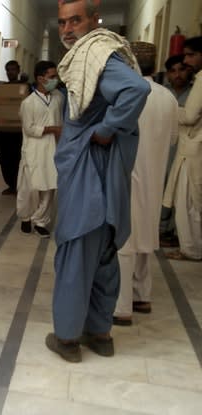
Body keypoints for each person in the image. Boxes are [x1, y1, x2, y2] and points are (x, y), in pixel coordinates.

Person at [46, 0, 150, 363]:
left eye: (76, 20)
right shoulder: (96, 55)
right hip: (102, 177)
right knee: (104, 254)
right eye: (62, 22)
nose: (67, 29)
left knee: (76, 253)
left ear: (94, 20)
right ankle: (100, 333)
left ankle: (68, 338)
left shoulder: (98, 54)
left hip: (89, 174)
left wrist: (106, 129)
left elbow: (137, 90)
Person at [112, 42, 178, 326]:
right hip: (154, 176)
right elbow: (173, 138)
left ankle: (121, 306)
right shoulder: (169, 98)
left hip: (128, 174)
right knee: (145, 237)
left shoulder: (126, 95)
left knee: (124, 239)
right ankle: (142, 295)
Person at [162, 36, 202, 261]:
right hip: (193, 146)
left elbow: (189, 116)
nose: (186, 60)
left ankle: (191, 248)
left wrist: (166, 107)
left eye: (190, 55)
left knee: (189, 201)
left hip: (193, 148)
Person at [17, 60, 64, 238]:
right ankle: (26, 217)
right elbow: (29, 128)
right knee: (30, 187)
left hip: (53, 148)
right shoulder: (28, 103)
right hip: (34, 149)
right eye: (52, 76)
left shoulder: (59, 97)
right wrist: (52, 129)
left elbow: (61, 121)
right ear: (40, 78)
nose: (55, 80)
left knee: (50, 186)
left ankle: (41, 221)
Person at [160, 54, 194, 247]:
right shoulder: (162, 93)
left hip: (188, 149)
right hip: (164, 147)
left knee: (182, 190)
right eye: (173, 71)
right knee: (163, 186)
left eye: (181, 69)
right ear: (167, 75)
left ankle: (176, 231)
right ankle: (162, 229)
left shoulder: (194, 92)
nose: (178, 74)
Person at [0, 60, 25, 195]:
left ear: (18, 70)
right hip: (2, 132)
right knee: (5, 160)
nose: (10, 72)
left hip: (18, 133)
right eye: (8, 70)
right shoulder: (2, 89)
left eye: (13, 69)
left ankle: (19, 185)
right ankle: (11, 185)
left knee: (17, 159)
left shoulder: (24, 87)